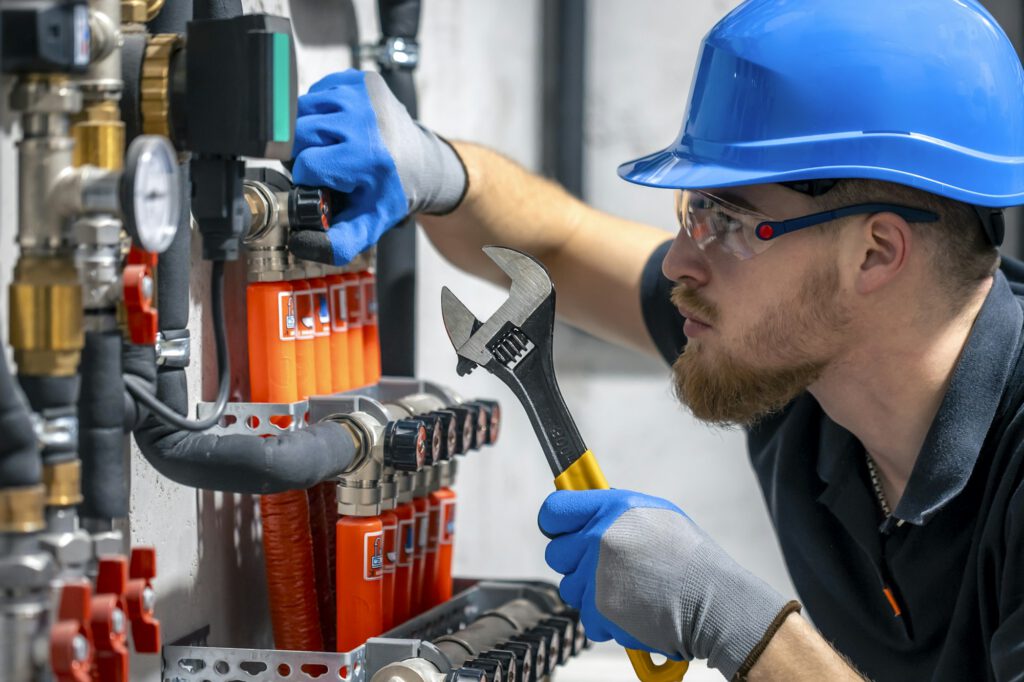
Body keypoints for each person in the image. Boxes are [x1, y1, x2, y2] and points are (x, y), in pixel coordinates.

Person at [290, 0, 1024, 679]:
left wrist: (737, 622)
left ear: (874, 254)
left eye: (727, 221)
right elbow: (561, 244)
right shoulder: (799, 354)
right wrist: (442, 171)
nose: (678, 260)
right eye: (690, 209)